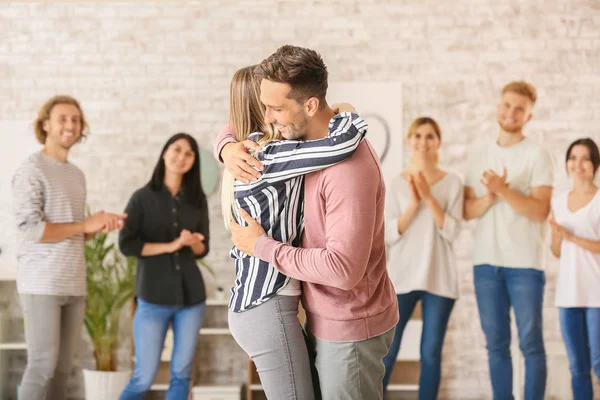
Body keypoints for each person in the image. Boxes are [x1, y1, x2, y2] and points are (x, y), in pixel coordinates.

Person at [216, 45, 398, 400]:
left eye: (276, 108)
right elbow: (241, 122)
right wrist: (224, 145)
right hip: (320, 314)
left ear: (309, 105)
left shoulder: (345, 167)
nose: (267, 118)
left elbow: (343, 269)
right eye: (264, 107)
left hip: (348, 325)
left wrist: (261, 246)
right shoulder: (300, 147)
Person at [12, 95, 126, 400]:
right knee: (42, 365)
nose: (71, 125)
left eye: (76, 119)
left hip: (73, 282)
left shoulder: (76, 175)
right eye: (63, 118)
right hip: (41, 282)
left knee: (63, 370)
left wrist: (96, 228)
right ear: (45, 124)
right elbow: (30, 229)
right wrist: (84, 225)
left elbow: (72, 232)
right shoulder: (31, 169)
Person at [464, 81, 553, 400]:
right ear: (499, 107)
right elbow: (467, 209)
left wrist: (503, 190)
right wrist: (492, 195)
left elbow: (541, 211)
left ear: (529, 116)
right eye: (507, 105)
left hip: (526, 265)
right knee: (496, 345)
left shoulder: (537, 154)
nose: (511, 112)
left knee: (531, 344)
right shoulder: (479, 154)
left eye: (520, 108)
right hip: (486, 265)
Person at [118, 133, 210, 400]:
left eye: (189, 154)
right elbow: (128, 245)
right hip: (152, 299)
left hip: (191, 299)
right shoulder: (141, 198)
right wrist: (171, 246)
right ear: (164, 152)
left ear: (194, 162)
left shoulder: (197, 199)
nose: (181, 157)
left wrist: (192, 242)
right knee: (143, 377)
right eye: (177, 149)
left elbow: (204, 249)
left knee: (181, 375)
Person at [382, 117, 463, 399]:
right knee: (388, 351)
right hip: (402, 277)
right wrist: (415, 203)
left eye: (429, 136)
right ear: (409, 140)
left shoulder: (452, 183)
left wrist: (429, 197)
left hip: (439, 280)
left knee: (430, 352)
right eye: (417, 135)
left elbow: (452, 232)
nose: (423, 142)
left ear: (438, 142)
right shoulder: (395, 183)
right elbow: (390, 233)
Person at [549, 138, 600, 400]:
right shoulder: (558, 201)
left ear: (594, 164)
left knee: (598, 362)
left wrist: (571, 237)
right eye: (573, 157)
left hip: (596, 294)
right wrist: (557, 235)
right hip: (568, 294)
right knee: (577, 367)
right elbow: (557, 251)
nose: (577, 164)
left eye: (585, 158)